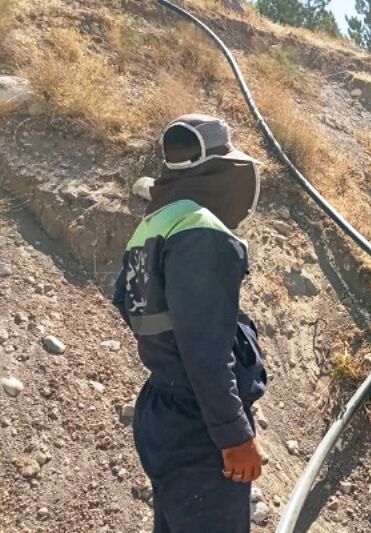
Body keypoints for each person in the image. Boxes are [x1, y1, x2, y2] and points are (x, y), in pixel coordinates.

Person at [112, 114, 267, 532]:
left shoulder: (153, 223)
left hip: (162, 411)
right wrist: (233, 436)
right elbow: (205, 351)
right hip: (200, 428)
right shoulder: (200, 227)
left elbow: (123, 300)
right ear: (222, 169)